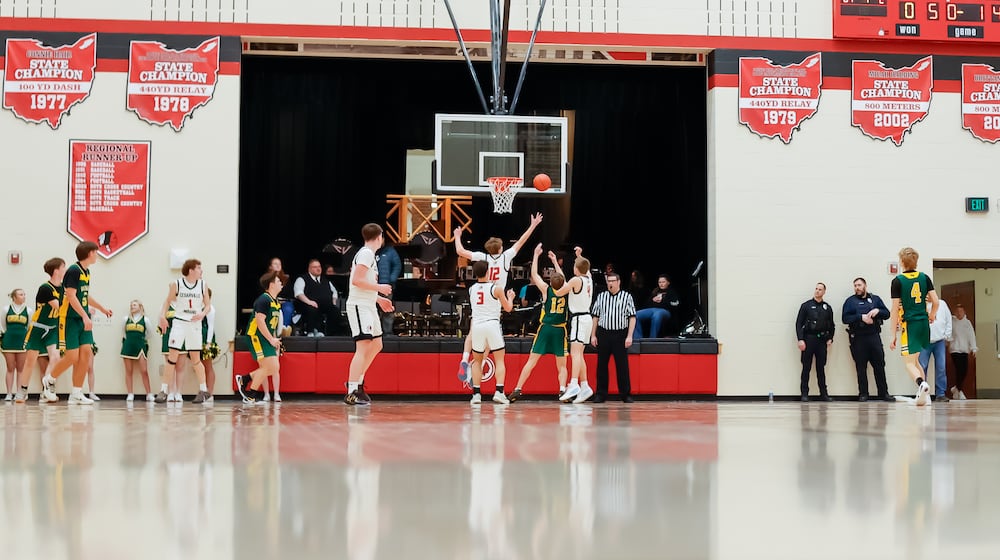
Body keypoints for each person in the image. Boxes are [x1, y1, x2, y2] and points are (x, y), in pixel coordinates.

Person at [453, 213, 543, 382]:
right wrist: (533, 225)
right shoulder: (505, 257)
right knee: (489, 341)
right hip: (496, 296)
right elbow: (521, 242)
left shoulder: (482, 257)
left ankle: (465, 359)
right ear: (500, 248)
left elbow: (460, 251)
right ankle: (477, 366)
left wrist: (458, 236)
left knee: (473, 331)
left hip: (481, 292)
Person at [43, 241, 112, 405]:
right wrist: (85, 316)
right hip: (69, 319)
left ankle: (76, 393)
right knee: (72, 356)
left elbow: (84, 295)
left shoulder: (86, 272)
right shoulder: (73, 270)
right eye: (96, 252)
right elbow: (71, 296)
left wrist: (102, 309)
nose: (97, 255)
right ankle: (49, 379)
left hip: (81, 318)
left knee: (86, 354)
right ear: (89, 253)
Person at [508, 244, 568, 403]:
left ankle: (517, 388)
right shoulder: (566, 290)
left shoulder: (546, 290)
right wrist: (555, 262)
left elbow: (534, 274)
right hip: (559, 330)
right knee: (561, 365)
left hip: (545, 329)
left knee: (532, 361)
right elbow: (562, 277)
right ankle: (562, 391)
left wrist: (535, 255)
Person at [343, 223, 395, 405]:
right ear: (380, 236)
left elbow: (362, 283)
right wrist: (379, 288)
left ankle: (357, 381)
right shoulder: (365, 253)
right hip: (359, 305)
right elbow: (357, 280)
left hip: (368, 304)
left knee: (377, 344)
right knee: (363, 347)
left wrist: (379, 298)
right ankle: (352, 390)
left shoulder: (369, 255)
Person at [155, 259, 212, 404]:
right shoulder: (177, 284)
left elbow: (208, 305)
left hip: (195, 324)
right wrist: (162, 316)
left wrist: (202, 314)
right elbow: (167, 301)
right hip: (179, 322)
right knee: (172, 357)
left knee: (196, 359)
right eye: (199, 268)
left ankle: (203, 390)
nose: (201, 270)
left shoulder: (203, 285)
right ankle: (163, 391)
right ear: (191, 270)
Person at [888, 247, 940, 406]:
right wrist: (932, 315)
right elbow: (936, 302)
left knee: (908, 363)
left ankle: (921, 384)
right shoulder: (924, 278)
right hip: (924, 323)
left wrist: (892, 335)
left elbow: (895, 309)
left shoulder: (898, 281)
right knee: (916, 361)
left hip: (909, 324)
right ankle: (925, 397)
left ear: (902, 262)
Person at [467, 260, 515, 404]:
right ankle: (499, 392)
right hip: (492, 325)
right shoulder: (497, 289)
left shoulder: (471, 289)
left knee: (477, 361)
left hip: (477, 326)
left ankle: (476, 394)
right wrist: (511, 298)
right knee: (499, 360)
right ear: (488, 272)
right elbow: (508, 308)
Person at [236, 270, 285, 404]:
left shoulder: (275, 301)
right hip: (256, 336)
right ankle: (250, 392)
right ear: (271, 284)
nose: (281, 283)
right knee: (267, 366)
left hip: (266, 337)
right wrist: (271, 339)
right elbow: (260, 321)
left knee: (274, 367)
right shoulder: (263, 299)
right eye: (278, 281)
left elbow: (272, 324)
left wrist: (275, 340)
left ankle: (245, 380)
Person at [21, 258, 65, 404]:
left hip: (53, 329)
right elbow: (60, 306)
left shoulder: (64, 288)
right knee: (30, 361)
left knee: (56, 358)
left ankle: (46, 389)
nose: (65, 270)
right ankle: (22, 390)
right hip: (38, 329)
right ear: (56, 270)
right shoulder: (45, 288)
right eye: (63, 267)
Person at [842, 278, 893, 402]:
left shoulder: (875, 299)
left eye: (859, 285)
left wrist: (878, 310)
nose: (857, 287)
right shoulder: (850, 301)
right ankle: (863, 393)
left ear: (865, 285)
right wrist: (861, 317)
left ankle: (883, 393)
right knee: (861, 367)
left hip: (874, 336)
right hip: (859, 338)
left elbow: (887, 314)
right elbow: (845, 318)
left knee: (879, 366)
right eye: (855, 285)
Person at [589, 272, 636, 403]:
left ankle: (625, 394)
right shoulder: (601, 296)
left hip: (620, 334)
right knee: (601, 366)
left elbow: (632, 317)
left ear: (618, 282)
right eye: (608, 281)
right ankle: (601, 394)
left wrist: (629, 336)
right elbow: (595, 317)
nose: (610, 283)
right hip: (604, 333)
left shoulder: (627, 297)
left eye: (613, 281)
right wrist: (593, 335)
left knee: (622, 366)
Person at [558, 247, 594, 404]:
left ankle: (573, 384)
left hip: (579, 319)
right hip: (587, 319)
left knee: (575, 354)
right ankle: (585, 385)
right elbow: (587, 267)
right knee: (580, 355)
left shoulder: (575, 280)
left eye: (574, 265)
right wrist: (580, 255)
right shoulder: (589, 278)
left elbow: (560, 292)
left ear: (576, 269)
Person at [795, 283, 835, 402]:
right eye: (816, 289)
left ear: (824, 292)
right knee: (806, 367)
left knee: (820, 368)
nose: (817, 291)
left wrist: (830, 338)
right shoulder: (806, 306)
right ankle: (804, 393)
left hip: (821, 341)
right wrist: (800, 339)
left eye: (820, 289)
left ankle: (823, 394)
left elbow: (832, 325)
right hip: (809, 339)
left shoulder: (827, 307)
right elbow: (798, 324)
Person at [294, 259, 341, 337]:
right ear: (309, 269)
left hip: (325, 305)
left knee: (335, 311)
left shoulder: (326, 280)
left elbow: (334, 292)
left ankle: (331, 334)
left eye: (319, 267)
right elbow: (299, 293)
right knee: (312, 309)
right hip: (307, 305)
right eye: (315, 267)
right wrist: (309, 302)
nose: (318, 269)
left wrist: (333, 302)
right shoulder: (302, 279)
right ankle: (311, 331)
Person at [918, 299, 952, 402]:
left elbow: (948, 319)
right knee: (922, 368)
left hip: (939, 341)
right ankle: (923, 394)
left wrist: (947, 336)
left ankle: (940, 394)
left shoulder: (942, 304)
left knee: (941, 367)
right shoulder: (919, 305)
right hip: (924, 341)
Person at [120, 299, 154, 402]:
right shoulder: (126, 319)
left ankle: (149, 394)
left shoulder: (145, 319)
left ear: (140, 306)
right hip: (128, 346)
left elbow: (150, 334)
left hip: (141, 347)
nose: (132, 307)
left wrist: (141, 341)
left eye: (134, 305)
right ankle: (130, 394)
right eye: (131, 305)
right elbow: (123, 333)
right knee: (128, 371)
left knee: (144, 371)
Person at [2, 288, 31, 401]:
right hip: (8, 341)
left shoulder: (28, 310)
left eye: (24, 294)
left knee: (20, 368)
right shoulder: (6, 309)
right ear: (14, 297)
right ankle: (9, 393)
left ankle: (19, 393)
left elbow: (29, 327)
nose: (24, 296)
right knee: (10, 367)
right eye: (21, 294)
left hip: (22, 342)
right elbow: (3, 325)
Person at [635, 274, 680, 339]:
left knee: (657, 314)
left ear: (668, 282)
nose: (661, 284)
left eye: (663, 282)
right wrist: (653, 300)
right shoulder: (655, 291)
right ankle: (637, 339)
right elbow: (647, 304)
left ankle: (652, 339)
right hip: (652, 309)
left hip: (664, 311)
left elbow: (675, 304)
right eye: (659, 282)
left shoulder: (671, 292)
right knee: (635, 315)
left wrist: (662, 301)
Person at [949, 303, 976, 400]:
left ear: (964, 312)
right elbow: (948, 332)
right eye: (957, 311)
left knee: (964, 371)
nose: (959, 313)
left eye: (961, 311)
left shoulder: (967, 323)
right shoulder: (952, 321)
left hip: (965, 350)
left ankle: (956, 388)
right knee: (959, 370)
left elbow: (971, 336)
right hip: (955, 350)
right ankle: (959, 391)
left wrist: (974, 348)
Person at [200, 289, 222, 402]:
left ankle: (210, 392)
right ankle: (203, 390)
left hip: (206, 338)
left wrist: (208, 342)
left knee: (208, 366)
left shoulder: (210, 309)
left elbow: (211, 326)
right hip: (198, 338)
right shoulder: (198, 308)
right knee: (200, 367)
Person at [376, 238, 402, 336]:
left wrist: (392, 279)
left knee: (387, 310)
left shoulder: (390, 251)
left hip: (386, 286)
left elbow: (397, 265)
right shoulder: (369, 251)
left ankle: (387, 332)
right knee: (373, 310)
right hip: (372, 286)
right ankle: (375, 332)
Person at [268, 257, 295, 331]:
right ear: (270, 266)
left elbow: (290, 294)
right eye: (275, 264)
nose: (278, 265)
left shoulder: (286, 279)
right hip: (270, 301)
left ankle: (283, 330)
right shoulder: (266, 279)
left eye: (279, 264)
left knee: (288, 309)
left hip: (284, 302)